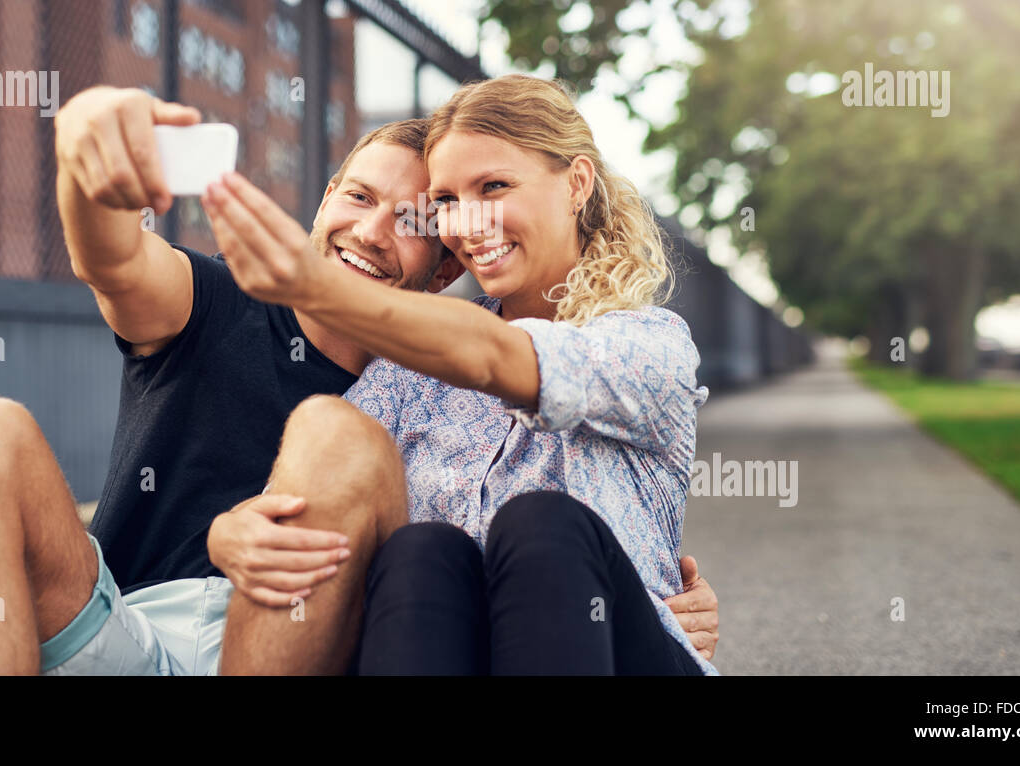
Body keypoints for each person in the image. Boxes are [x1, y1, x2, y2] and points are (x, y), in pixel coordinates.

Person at [0, 85, 718, 675]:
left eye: (412, 221)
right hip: (118, 626)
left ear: (442, 274)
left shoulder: (465, 368)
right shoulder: (233, 310)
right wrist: (84, 152)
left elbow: (498, 372)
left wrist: (640, 597)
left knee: (396, 471)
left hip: (288, 650)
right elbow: (110, 260)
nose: (370, 230)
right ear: (327, 198)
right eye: (358, 196)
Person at [202, 73, 716, 675]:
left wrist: (315, 286)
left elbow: (498, 356)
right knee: (422, 552)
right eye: (446, 201)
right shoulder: (410, 371)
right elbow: (308, 501)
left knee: (541, 521)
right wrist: (228, 533)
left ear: (577, 184)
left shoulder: (650, 344)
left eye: (494, 186)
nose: (467, 224)